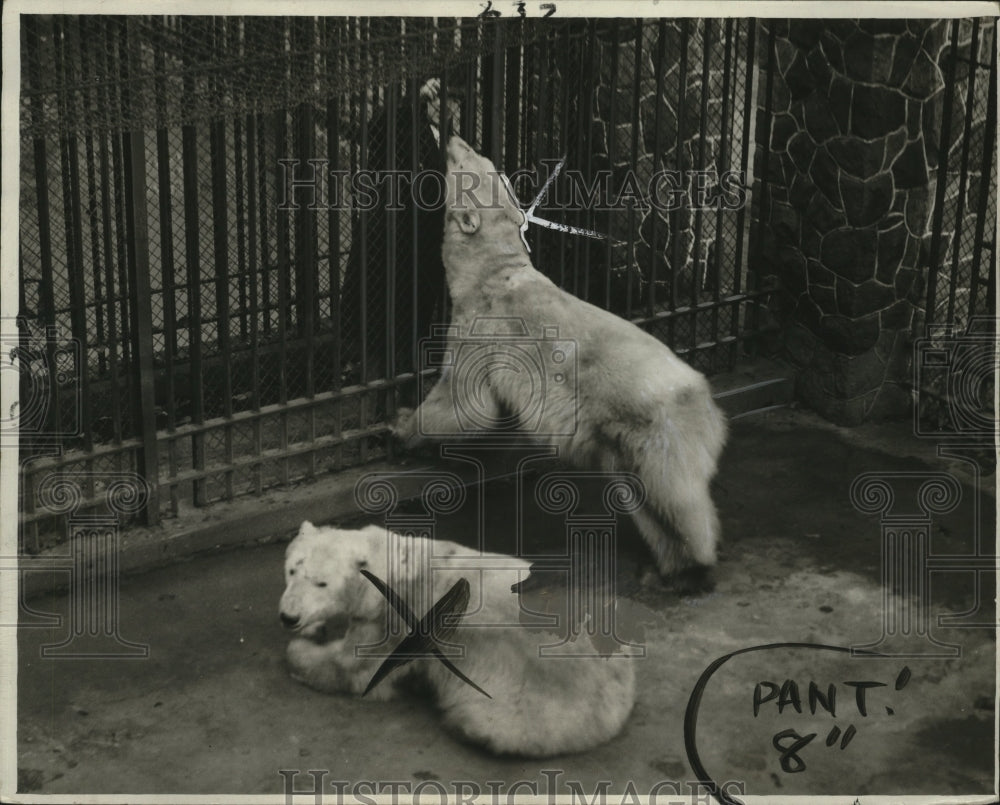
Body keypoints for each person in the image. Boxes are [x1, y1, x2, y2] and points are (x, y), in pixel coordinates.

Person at [340, 77, 462, 410]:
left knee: (415, 325)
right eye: (436, 98)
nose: (443, 106)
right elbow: (375, 132)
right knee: (382, 323)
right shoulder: (402, 125)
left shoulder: (451, 143)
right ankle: (381, 407)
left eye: (449, 100)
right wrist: (410, 102)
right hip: (388, 240)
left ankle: (408, 401)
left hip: (423, 249)